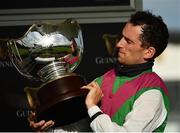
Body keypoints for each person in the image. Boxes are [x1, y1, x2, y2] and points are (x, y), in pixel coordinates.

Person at [28, 10, 170, 132]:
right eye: (121, 37)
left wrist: (92, 107)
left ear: (148, 52)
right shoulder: (102, 80)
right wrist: (48, 129)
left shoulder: (152, 91)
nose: (119, 44)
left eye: (128, 41)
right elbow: (80, 130)